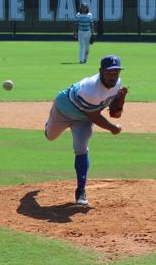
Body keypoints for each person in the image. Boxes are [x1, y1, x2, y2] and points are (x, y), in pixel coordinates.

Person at [44, 54, 128, 207]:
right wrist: (112, 128)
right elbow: (95, 116)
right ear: (100, 71)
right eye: (109, 73)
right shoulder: (90, 90)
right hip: (63, 110)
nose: (113, 76)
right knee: (50, 136)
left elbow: (112, 112)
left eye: (116, 73)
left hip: (83, 119)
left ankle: (80, 191)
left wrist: (118, 105)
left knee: (81, 148)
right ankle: (48, 125)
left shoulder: (117, 83)